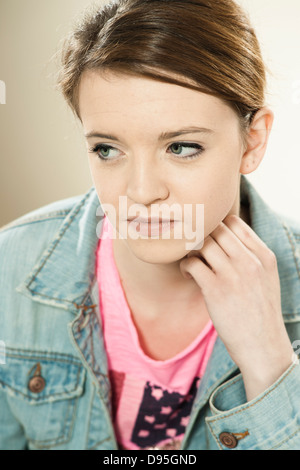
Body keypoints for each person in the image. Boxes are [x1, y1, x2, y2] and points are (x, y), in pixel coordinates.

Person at [0, 0, 300, 451]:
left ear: (251, 142)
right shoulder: (10, 266)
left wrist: (268, 361)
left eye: (181, 147)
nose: (140, 192)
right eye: (107, 149)